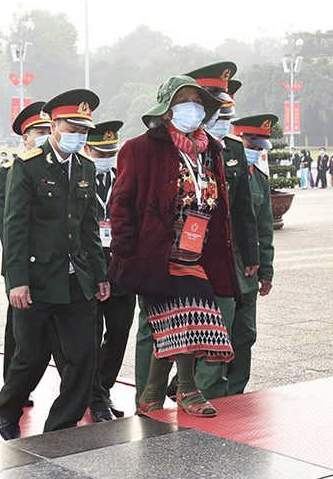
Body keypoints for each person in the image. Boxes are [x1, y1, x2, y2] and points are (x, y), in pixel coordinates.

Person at [109, 76, 236, 417]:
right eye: (184, 101)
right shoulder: (139, 148)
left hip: (198, 251)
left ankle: (151, 394)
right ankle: (188, 390)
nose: (192, 108)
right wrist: (125, 253)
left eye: (198, 102)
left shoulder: (210, 149)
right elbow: (120, 203)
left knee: (175, 322)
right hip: (156, 252)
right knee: (191, 316)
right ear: (167, 109)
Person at [0, 89, 110, 440]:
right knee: (30, 356)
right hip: (38, 278)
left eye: (84, 130)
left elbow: (90, 226)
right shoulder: (27, 167)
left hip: (77, 279)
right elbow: (15, 227)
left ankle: (60, 426)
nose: (78, 135)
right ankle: (8, 407)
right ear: (54, 124)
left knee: (82, 356)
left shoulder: (86, 167)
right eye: (71, 127)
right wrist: (17, 280)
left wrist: (100, 274)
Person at [179, 62, 260, 400]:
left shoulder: (233, 150)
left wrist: (253, 256)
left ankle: (224, 396)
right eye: (215, 108)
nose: (221, 118)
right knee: (190, 333)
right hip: (186, 254)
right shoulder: (177, 145)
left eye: (226, 112)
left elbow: (243, 210)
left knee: (234, 331)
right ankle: (173, 390)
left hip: (228, 255)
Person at [0, 101, 55, 408]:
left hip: (55, 265)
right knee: (19, 332)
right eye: (39, 131)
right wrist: (16, 270)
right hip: (24, 263)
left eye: (50, 129)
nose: (46, 135)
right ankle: (15, 385)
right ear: (25, 136)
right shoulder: (11, 171)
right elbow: (9, 225)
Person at [85, 120, 137, 422]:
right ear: (87, 149)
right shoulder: (77, 180)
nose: (106, 157)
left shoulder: (124, 178)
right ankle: (93, 397)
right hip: (91, 273)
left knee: (118, 335)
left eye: (111, 152)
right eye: (100, 152)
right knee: (90, 338)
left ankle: (102, 388)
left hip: (121, 271)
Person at [225, 114, 277, 395]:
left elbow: (264, 229)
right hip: (220, 271)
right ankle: (206, 390)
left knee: (245, 335)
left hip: (248, 270)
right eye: (251, 145)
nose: (256, 153)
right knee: (216, 336)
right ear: (236, 138)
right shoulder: (218, 170)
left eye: (260, 149)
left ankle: (236, 393)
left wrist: (266, 270)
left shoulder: (260, 178)